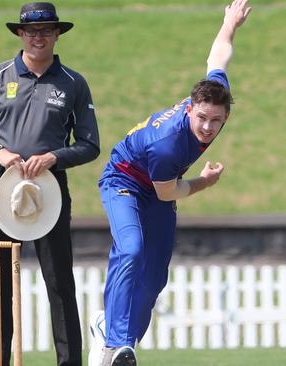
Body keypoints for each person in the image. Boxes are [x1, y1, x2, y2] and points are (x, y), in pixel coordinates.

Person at [89, 1, 252, 365]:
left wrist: (230, 23)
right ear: (190, 109)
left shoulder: (212, 96)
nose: (208, 127)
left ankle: (123, 348)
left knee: (153, 280)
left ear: (226, 115)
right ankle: (112, 340)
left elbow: (218, 58)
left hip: (159, 185)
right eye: (203, 118)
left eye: (216, 120)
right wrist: (203, 183)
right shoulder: (168, 146)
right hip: (125, 181)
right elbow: (171, 190)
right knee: (131, 249)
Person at [0, 2, 100, 365]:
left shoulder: (73, 83)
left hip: (50, 189)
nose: (38, 37)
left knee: (59, 281)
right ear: (20, 34)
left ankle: (69, 362)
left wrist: (55, 156)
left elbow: (90, 145)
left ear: (57, 35)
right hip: (2, 186)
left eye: (46, 31)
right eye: (31, 31)